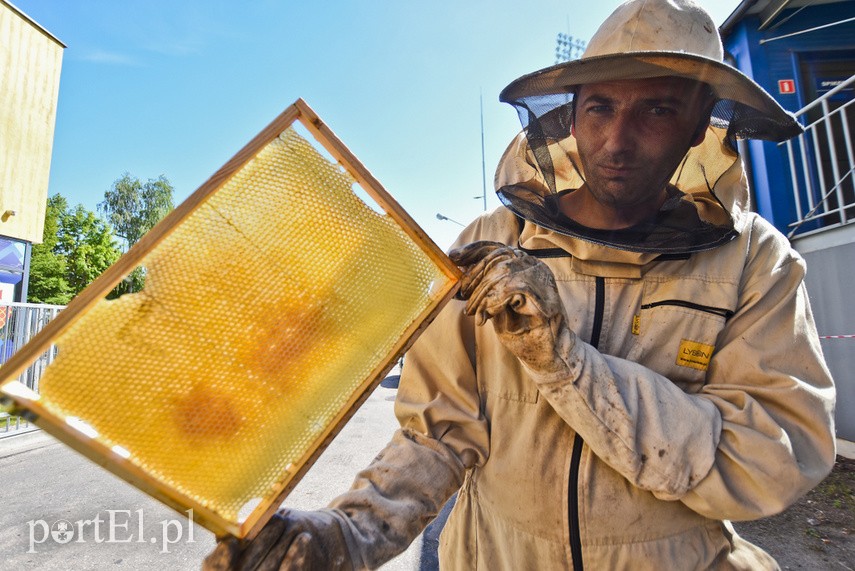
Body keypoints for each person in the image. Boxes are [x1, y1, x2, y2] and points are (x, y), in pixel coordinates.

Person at [205, 0, 837, 568]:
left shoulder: (757, 262)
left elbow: (768, 459)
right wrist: (347, 537)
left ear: (701, 124)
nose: (617, 140)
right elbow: (440, 432)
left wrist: (564, 363)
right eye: (600, 108)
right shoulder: (491, 241)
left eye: (657, 110)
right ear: (571, 114)